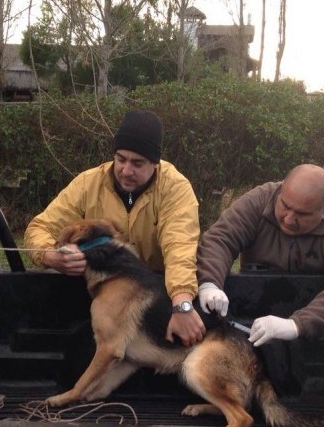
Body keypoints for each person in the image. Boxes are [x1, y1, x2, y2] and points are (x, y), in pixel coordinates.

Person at [24, 109, 205, 346]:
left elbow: (179, 247)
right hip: (100, 297)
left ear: (155, 163)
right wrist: (50, 256)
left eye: (137, 163)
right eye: (120, 159)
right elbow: (39, 228)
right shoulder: (88, 184)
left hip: (156, 299)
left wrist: (182, 304)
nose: (126, 171)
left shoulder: (175, 189)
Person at [196, 164, 324, 346]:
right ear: (281, 190)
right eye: (285, 206)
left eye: (302, 214)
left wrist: (297, 325)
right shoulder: (259, 200)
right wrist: (209, 283)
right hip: (254, 312)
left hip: (320, 331)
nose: (289, 219)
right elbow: (221, 239)